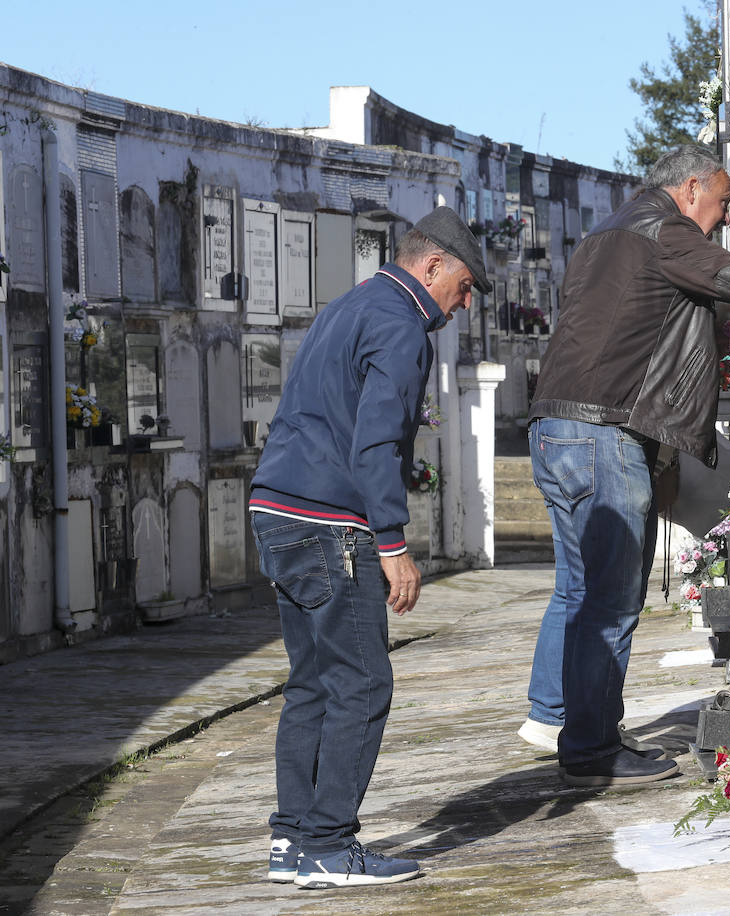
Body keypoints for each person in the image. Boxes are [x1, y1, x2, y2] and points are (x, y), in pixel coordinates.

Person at [248, 206, 489, 888]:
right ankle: (330, 845)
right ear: (433, 265)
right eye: (465, 285)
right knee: (362, 681)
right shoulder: (402, 324)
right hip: (332, 522)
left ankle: (293, 841)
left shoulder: (349, 306)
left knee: (311, 684)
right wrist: (392, 542)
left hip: (277, 506)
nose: (464, 304)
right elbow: (374, 440)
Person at [521, 144, 730, 787]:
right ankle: (593, 749)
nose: (723, 220)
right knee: (614, 597)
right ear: (693, 188)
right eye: (724, 202)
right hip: (603, 431)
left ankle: (554, 717)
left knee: (578, 587)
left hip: (553, 426)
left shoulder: (604, 233)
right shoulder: (666, 227)